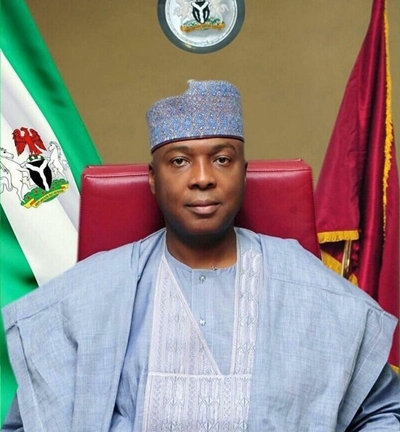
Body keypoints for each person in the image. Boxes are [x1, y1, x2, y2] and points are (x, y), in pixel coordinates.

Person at [2, 80, 400, 431]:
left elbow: (383, 411)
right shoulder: (91, 292)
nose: (203, 178)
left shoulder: (308, 286)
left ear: (243, 172)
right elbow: (30, 421)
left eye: (222, 159)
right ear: (153, 179)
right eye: (179, 161)